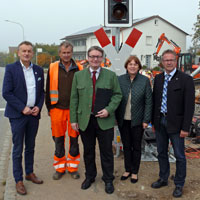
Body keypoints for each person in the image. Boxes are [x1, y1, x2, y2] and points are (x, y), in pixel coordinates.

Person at [70, 46, 122, 194]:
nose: (95, 59)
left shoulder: (110, 76)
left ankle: (108, 179)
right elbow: (74, 98)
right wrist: (73, 119)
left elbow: (117, 95)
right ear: (88, 58)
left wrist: (108, 110)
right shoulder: (79, 76)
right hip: (85, 121)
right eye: (92, 56)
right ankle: (90, 177)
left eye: (98, 56)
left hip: (104, 121)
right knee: (88, 151)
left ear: (102, 58)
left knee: (106, 152)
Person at [2, 41, 44, 195]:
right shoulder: (11, 69)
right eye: (23, 51)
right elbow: (6, 92)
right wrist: (22, 107)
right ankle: (18, 180)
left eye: (29, 51)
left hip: (34, 115)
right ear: (18, 53)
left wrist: (38, 107)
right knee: (18, 148)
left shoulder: (38, 70)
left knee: (31, 146)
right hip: (18, 116)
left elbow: (41, 93)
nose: (26, 53)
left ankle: (29, 172)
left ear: (32, 53)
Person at [151, 49, 195, 198]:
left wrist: (185, 127)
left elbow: (189, 106)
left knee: (179, 155)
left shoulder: (185, 79)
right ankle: (163, 178)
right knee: (161, 152)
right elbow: (155, 101)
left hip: (176, 124)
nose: (169, 62)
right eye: (166, 60)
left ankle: (179, 184)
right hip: (160, 122)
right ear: (162, 62)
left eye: (171, 60)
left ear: (175, 61)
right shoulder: (158, 79)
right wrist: (153, 121)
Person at [45, 41, 82, 180]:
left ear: (72, 53)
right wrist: (49, 108)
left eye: (68, 52)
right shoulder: (53, 67)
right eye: (63, 53)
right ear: (59, 53)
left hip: (74, 111)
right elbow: (47, 88)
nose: (66, 55)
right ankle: (60, 168)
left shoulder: (79, 67)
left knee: (74, 140)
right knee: (58, 140)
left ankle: (72, 167)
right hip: (57, 109)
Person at [116, 56, 152, 183]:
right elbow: (115, 98)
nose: (132, 66)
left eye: (135, 64)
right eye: (130, 64)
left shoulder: (144, 81)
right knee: (126, 146)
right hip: (123, 120)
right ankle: (127, 169)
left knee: (136, 146)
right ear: (126, 66)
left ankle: (135, 171)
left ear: (139, 67)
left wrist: (146, 120)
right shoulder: (120, 80)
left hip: (138, 120)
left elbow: (148, 101)